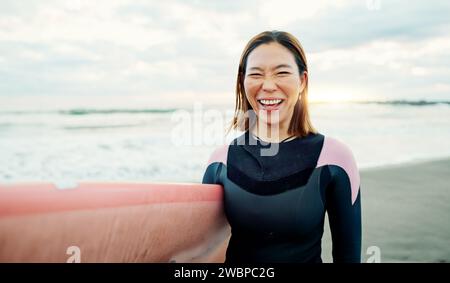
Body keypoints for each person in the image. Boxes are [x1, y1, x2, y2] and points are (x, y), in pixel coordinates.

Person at [202, 30, 361, 263]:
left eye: (282, 73)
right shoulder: (221, 161)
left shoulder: (334, 158)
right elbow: (204, 252)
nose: (268, 85)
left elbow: (348, 257)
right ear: (243, 81)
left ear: (302, 81)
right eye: (256, 74)